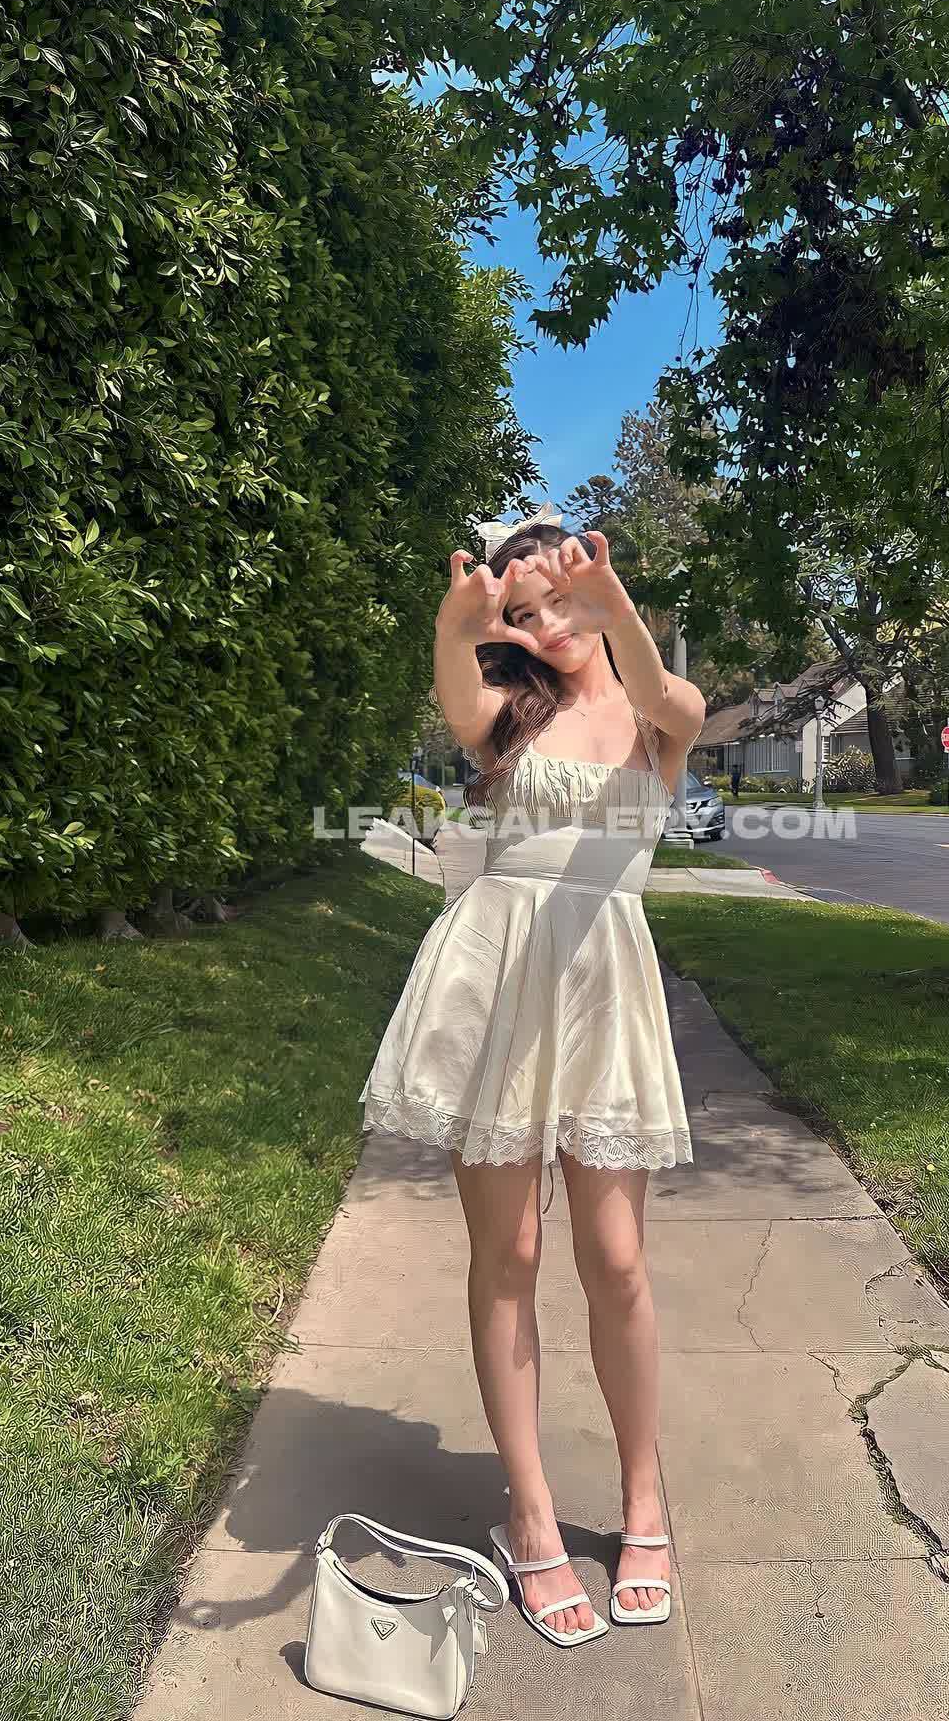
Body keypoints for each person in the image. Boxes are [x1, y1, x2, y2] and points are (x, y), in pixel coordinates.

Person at [358, 521, 705, 1645]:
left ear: (602, 594)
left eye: (560, 602)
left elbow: (675, 702)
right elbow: (458, 694)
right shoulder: (508, 713)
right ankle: (533, 1514)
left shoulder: (655, 716)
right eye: (524, 615)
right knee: (509, 1253)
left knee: (618, 1261)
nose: (545, 627)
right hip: (498, 982)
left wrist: (616, 612)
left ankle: (644, 1502)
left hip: (605, 987)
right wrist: (457, 629)